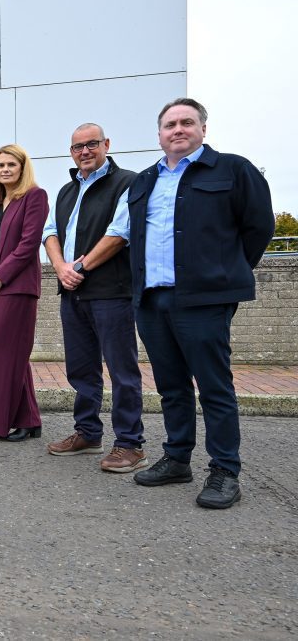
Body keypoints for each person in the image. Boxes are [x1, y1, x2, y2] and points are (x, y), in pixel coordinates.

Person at [129, 98, 274, 509]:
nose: (178, 129)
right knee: (171, 386)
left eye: (187, 122)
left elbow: (259, 227)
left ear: (202, 129)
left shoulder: (233, 170)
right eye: (170, 124)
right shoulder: (143, 181)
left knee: (213, 387)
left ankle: (225, 470)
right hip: (152, 300)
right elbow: (135, 238)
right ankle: (177, 458)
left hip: (204, 300)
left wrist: (225, 273)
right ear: (159, 134)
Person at [42, 123, 147, 472]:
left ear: (106, 144)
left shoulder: (128, 182)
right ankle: (87, 431)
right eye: (77, 147)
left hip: (110, 292)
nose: (84, 152)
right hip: (72, 291)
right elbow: (51, 232)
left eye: (91, 144)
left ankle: (130, 443)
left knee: (122, 369)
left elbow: (120, 233)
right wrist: (60, 268)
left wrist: (80, 267)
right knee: (81, 368)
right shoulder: (65, 191)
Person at [0, 144, 49, 441]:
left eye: (11, 165)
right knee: (11, 354)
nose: (4, 170)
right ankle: (30, 419)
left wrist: (0, 277)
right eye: (0, 165)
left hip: (16, 287)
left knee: (1, 354)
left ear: (22, 168)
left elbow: (29, 244)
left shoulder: (35, 197)